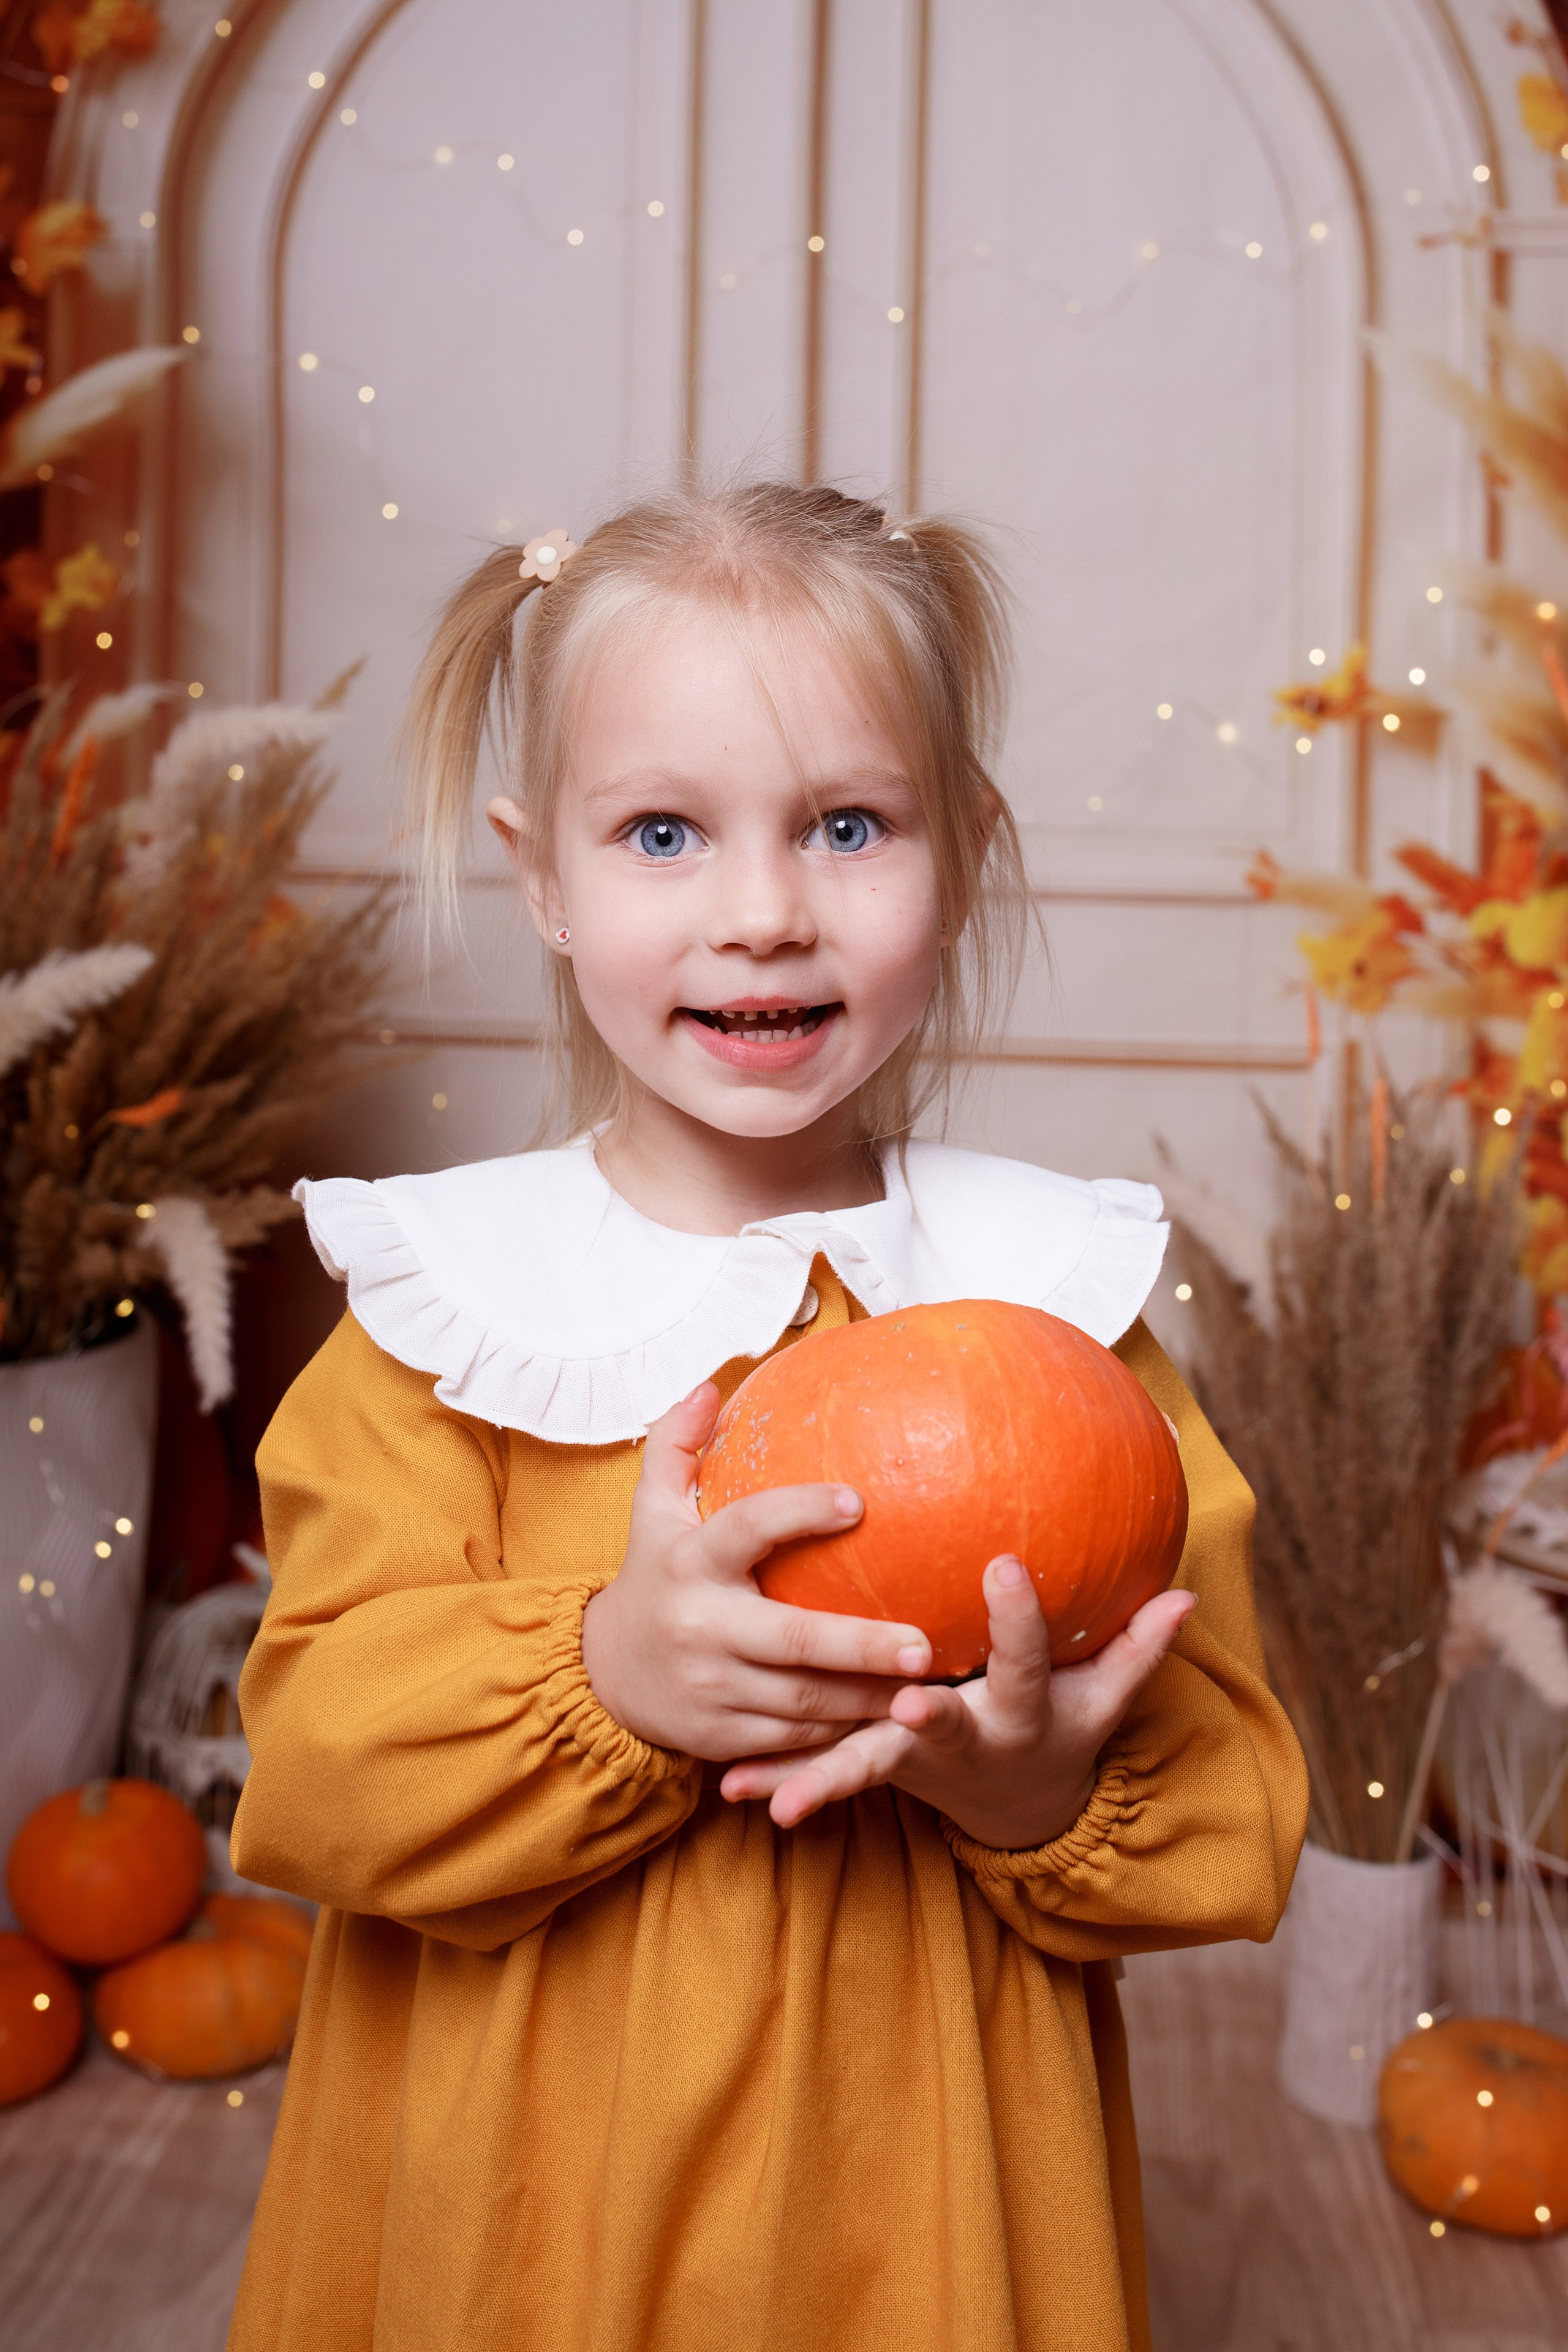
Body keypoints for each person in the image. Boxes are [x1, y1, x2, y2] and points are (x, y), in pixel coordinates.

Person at [227, 484, 1307, 2352]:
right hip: (520, 2211)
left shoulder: (1060, 1308)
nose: (761, 914)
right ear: (543, 875)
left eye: (846, 825)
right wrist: (608, 1674)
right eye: (663, 833)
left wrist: (1040, 1783)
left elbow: (1233, 1799)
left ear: (964, 854)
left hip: (918, 2213)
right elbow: (315, 1773)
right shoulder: (442, 1314)